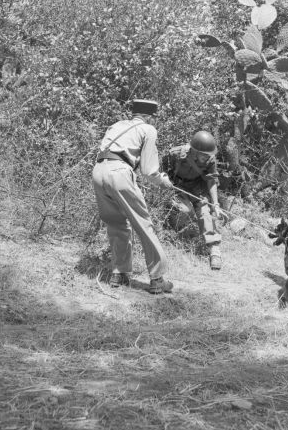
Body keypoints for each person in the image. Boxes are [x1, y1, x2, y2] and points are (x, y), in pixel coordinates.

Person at [92, 99, 175, 294]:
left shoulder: (117, 125)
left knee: (115, 224)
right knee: (143, 224)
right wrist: (163, 181)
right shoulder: (148, 129)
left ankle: (119, 274)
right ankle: (157, 279)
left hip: (98, 171)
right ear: (149, 116)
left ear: (134, 112)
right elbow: (148, 170)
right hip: (120, 172)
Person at [162, 130, 226, 270]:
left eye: (208, 155)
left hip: (197, 187)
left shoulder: (210, 159)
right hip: (178, 186)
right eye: (204, 155)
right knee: (185, 210)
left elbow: (211, 181)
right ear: (194, 151)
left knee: (204, 211)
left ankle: (214, 249)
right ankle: (175, 232)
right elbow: (161, 170)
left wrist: (215, 204)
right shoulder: (175, 154)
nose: (207, 157)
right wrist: (164, 179)